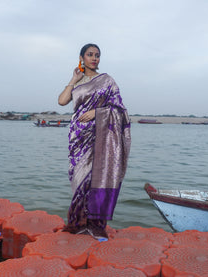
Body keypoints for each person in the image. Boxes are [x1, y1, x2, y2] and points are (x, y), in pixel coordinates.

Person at [58, 43, 131, 239]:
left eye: (97, 55)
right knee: (79, 178)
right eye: (89, 54)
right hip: (78, 137)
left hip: (100, 135)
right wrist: (74, 78)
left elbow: (120, 110)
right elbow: (62, 101)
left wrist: (97, 113)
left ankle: (96, 225)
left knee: (97, 177)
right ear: (81, 58)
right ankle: (79, 223)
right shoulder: (79, 80)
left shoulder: (107, 81)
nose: (94, 58)